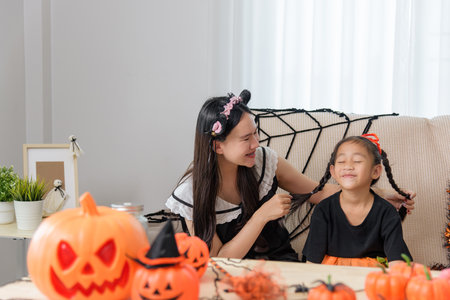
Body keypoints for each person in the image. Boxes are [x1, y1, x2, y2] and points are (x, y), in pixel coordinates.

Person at [165, 90, 415, 262]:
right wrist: (261, 216)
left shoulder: (263, 161)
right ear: (217, 146)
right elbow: (218, 260)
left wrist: (379, 195)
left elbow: (316, 192)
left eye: (255, 133)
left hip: (280, 264)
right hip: (233, 275)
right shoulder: (192, 193)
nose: (256, 143)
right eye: (245, 139)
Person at [302, 134, 412, 267]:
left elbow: (397, 263)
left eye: (357, 161)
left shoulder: (387, 212)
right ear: (333, 171)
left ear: (376, 171)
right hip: (330, 277)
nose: (348, 166)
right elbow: (312, 263)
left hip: (372, 277)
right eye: (341, 162)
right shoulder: (324, 210)